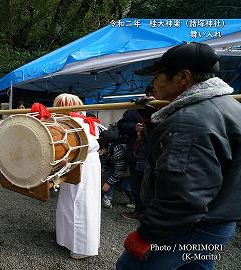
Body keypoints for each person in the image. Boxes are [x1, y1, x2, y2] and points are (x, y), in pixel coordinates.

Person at [116, 42, 241, 270]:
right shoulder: (228, 107)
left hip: (189, 226)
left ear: (183, 77)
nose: (153, 83)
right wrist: (153, 120)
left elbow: (185, 195)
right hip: (219, 222)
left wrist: (147, 235)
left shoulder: (190, 120)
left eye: (157, 75)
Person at [53, 93, 101, 259]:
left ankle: (82, 247)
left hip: (84, 165)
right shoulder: (83, 120)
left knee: (81, 205)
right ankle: (66, 239)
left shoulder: (75, 123)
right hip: (80, 164)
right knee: (72, 203)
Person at [116, 84, 155, 220]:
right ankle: (139, 210)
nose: (153, 96)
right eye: (150, 93)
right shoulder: (135, 110)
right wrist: (134, 127)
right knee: (135, 184)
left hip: (154, 156)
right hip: (136, 154)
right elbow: (120, 125)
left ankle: (150, 213)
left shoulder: (165, 108)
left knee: (152, 186)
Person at [99, 124, 133, 209]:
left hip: (127, 167)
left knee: (126, 185)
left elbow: (119, 171)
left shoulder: (117, 149)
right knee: (109, 177)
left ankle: (135, 201)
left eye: (101, 150)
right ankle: (107, 199)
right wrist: (102, 170)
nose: (100, 152)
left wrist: (108, 183)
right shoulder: (107, 146)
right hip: (116, 164)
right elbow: (106, 162)